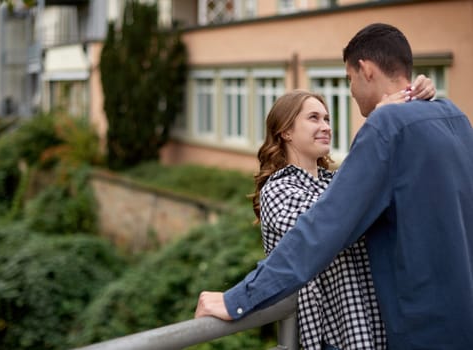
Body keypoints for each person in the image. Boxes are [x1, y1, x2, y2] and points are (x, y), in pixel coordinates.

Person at [195, 23, 473, 349]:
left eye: (348, 79)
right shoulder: (455, 117)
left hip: (419, 330)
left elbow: (323, 228)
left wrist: (237, 299)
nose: (350, 91)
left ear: (366, 70)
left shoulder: (385, 126)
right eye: (314, 118)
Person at [249, 77, 435, 350]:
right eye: (314, 118)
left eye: (327, 119)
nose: (326, 126)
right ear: (285, 132)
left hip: (375, 326)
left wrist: (414, 98)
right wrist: (375, 127)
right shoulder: (277, 190)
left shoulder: (333, 182)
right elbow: (334, 223)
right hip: (332, 334)